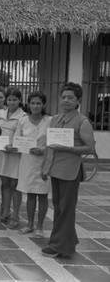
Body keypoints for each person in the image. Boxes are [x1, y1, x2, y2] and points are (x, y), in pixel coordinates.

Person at [41, 83, 95, 258]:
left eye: (70, 97)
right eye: (63, 97)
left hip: (70, 171)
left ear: (78, 100)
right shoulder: (55, 119)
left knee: (66, 208)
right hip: (55, 170)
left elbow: (90, 148)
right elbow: (50, 146)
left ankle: (59, 246)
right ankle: (67, 240)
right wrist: (44, 167)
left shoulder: (82, 121)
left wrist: (67, 148)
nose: (65, 100)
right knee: (59, 207)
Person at [15, 91, 51, 238]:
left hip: (44, 162)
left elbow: (54, 142)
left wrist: (43, 150)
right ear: (28, 104)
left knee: (42, 195)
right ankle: (29, 224)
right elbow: (17, 140)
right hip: (28, 161)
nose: (35, 106)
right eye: (33, 103)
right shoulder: (22, 121)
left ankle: (40, 227)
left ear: (44, 105)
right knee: (30, 194)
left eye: (38, 103)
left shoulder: (50, 121)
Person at [0, 88, 26, 229]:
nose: (11, 102)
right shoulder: (1, 115)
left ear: (19, 100)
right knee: (4, 183)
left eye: (14, 100)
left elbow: (23, 135)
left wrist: (14, 146)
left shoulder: (23, 116)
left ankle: (15, 215)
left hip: (15, 153)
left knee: (15, 186)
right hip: (2, 152)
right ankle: (4, 212)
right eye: (9, 99)